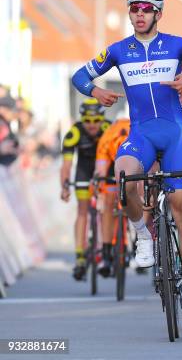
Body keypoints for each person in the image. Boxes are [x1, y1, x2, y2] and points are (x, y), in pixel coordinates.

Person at [70, 0, 182, 320]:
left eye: (146, 9)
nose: (139, 14)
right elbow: (78, 76)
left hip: (175, 135)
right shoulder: (118, 50)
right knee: (124, 176)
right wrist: (96, 90)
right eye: (134, 9)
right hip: (141, 133)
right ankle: (142, 234)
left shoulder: (177, 45)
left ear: (158, 13)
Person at [60, 99, 110, 280]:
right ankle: (80, 256)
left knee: (106, 209)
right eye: (87, 121)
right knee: (82, 211)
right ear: (82, 119)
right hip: (83, 170)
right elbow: (66, 165)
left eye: (96, 120)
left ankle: (107, 250)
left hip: (106, 170)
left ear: (102, 119)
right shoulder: (74, 132)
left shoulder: (108, 129)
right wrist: (64, 185)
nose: (92, 125)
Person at [94, 117, 130, 277]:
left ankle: (141, 239)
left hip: (136, 159)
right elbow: (101, 170)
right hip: (111, 165)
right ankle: (107, 252)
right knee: (108, 201)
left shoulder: (134, 134)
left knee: (141, 191)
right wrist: (100, 183)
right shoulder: (107, 139)